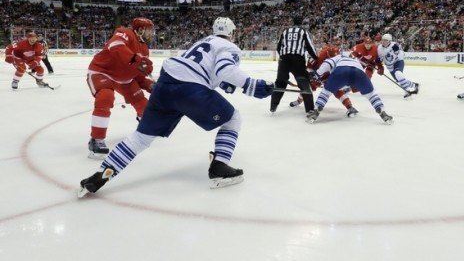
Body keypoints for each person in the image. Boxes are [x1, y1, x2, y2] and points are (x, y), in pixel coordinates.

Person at [77, 17, 275, 197]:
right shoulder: (229, 47)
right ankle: (219, 167)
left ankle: (101, 174)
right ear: (231, 33)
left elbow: (207, 69)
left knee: (141, 137)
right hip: (190, 89)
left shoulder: (203, 41)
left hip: (165, 84)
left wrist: (224, 83)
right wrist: (253, 86)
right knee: (233, 119)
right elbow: (224, 69)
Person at [86, 18, 155, 158]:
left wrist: (148, 84)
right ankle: (96, 139)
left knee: (143, 105)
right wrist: (136, 59)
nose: (151, 33)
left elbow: (136, 74)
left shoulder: (144, 48)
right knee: (105, 97)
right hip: (102, 72)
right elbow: (115, 46)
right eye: (149, 30)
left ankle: (145, 126)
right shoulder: (125, 32)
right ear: (140, 29)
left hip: (124, 79)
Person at [306, 54, 393, 125]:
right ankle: (382, 111)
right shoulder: (356, 59)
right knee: (371, 94)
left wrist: (316, 74)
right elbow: (369, 65)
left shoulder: (339, 56)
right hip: (358, 73)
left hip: (341, 71)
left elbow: (328, 63)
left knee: (326, 92)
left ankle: (316, 110)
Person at [289, 36, 357, 116]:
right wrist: (309, 78)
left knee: (337, 90)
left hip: (329, 76)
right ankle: (299, 100)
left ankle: (349, 106)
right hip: (317, 75)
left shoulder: (339, 56)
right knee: (308, 88)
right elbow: (308, 69)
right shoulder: (317, 57)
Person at [269, 16, 318, 114]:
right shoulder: (303, 31)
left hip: (284, 59)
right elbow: (309, 46)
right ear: (301, 23)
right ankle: (310, 110)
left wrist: (283, 57)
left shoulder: (285, 31)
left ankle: (273, 107)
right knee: (304, 83)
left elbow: (278, 47)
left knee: (280, 82)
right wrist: (316, 57)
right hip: (297, 59)